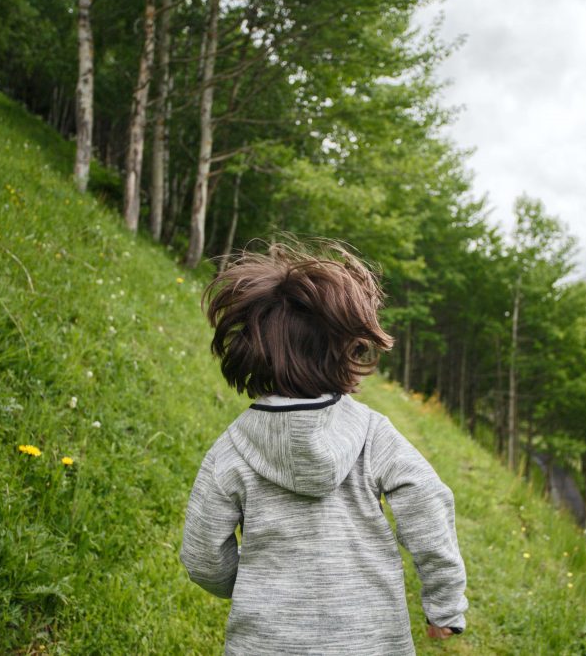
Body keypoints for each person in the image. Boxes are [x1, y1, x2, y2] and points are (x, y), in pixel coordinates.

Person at [180, 241, 468, 655]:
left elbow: (202, 556)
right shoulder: (372, 433)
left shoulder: (232, 450)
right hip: (369, 643)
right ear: (346, 350)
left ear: (250, 350)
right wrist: (445, 603)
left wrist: (245, 586)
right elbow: (427, 503)